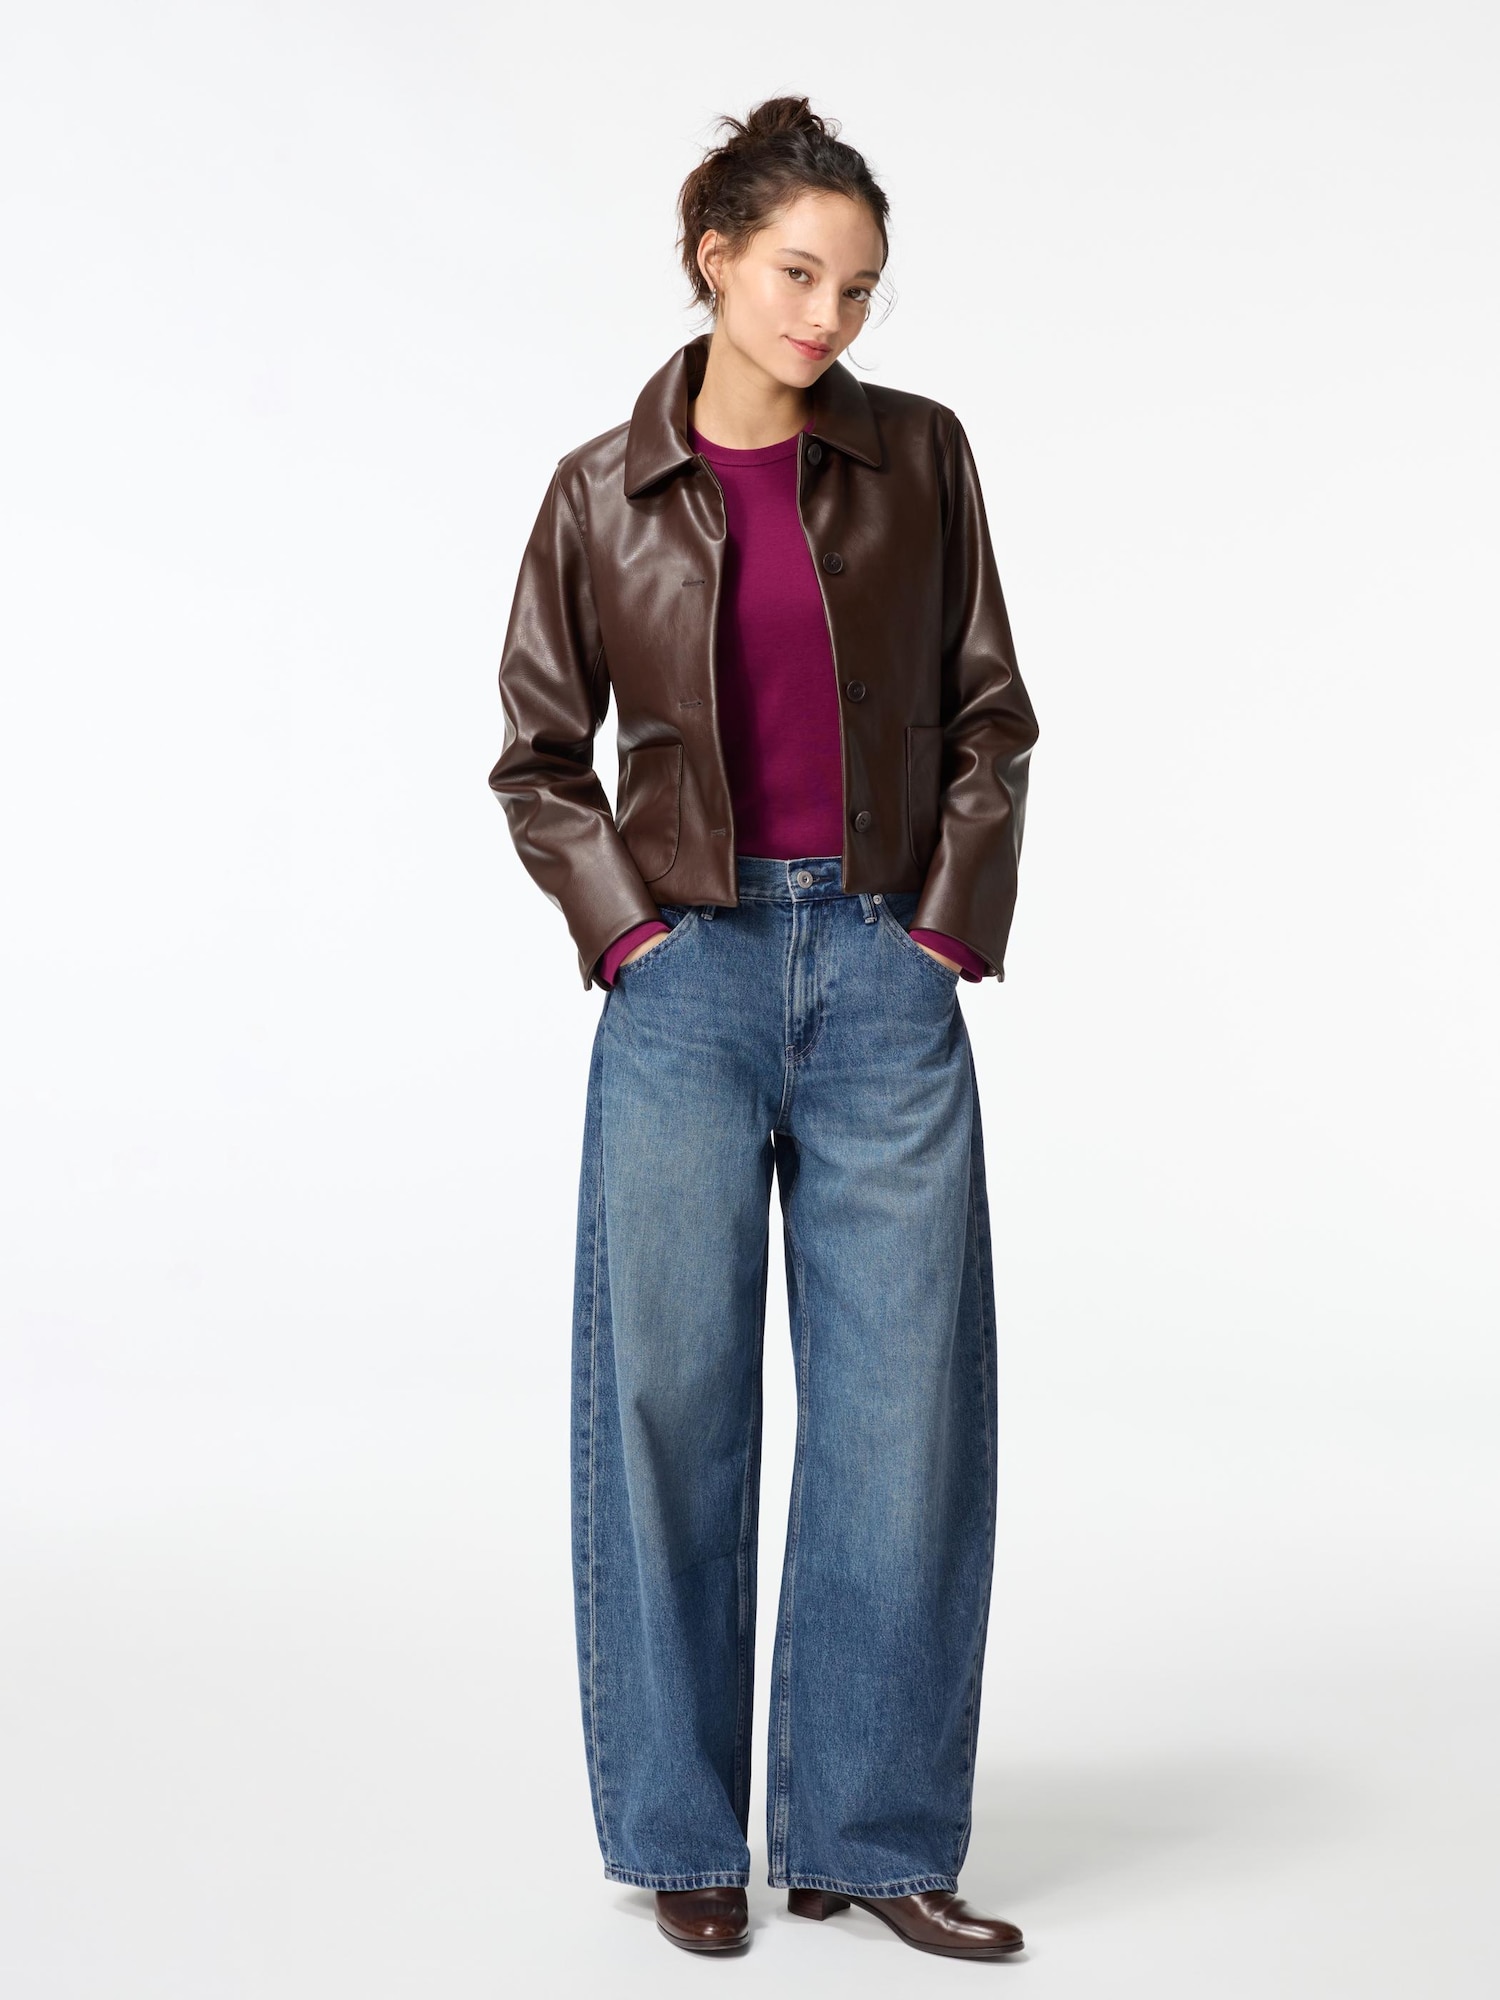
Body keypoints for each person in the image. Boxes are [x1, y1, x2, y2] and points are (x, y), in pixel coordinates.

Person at [488, 95, 1039, 1962]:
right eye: (799, 274)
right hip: (688, 982)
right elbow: (538, 757)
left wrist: (943, 929)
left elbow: (990, 712)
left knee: (905, 1412)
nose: (829, 316)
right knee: (668, 1407)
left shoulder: (921, 457)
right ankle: (681, 1833)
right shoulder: (599, 493)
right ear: (715, 257)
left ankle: (869, 1835)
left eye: (859, 289)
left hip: (882, 971)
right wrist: (629, 936)